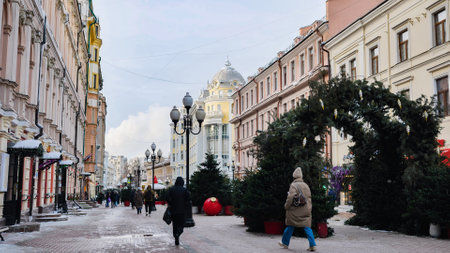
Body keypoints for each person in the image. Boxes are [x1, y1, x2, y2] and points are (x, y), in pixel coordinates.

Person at [279, 167, 317, 252]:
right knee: (307, 227)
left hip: (295, 210)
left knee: (290, 226)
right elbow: (309, 198)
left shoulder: (293, 185)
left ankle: (285, 243)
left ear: (294, 176)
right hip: (306, 209)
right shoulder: (306, 185)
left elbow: (290, 197)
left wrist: (286, 206)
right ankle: (312, 245)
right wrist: (309, 208)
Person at [167, 177, 190, 246]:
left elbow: (167, 198)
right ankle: (178, 234)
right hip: (182, 210)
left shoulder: (171, 189)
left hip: (173, 210)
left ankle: (176, 237)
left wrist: (171, 203)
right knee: (181, 225)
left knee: (175, 225)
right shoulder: (184, 190)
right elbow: (188, 199)